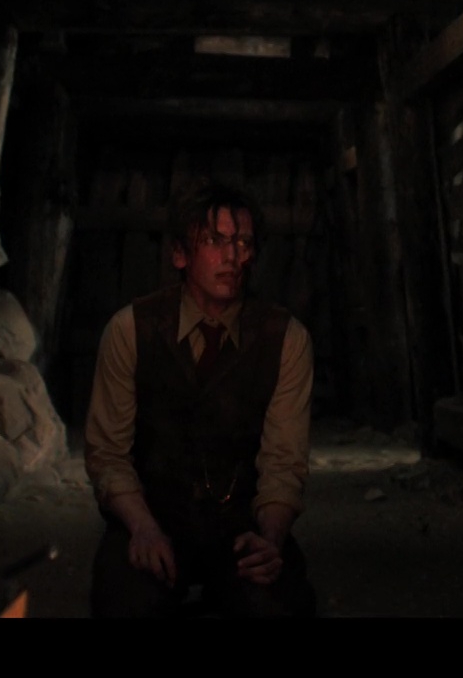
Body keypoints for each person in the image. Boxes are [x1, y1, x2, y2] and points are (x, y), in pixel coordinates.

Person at [83, 178, 318, 617]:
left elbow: (284, 463)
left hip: (240, 521)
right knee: (126, 604)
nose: (233, 256)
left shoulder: (284, 338)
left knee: (278, 607)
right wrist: (142, 527)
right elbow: (107, 453)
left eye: (243, 242)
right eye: (214, 240)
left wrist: (270, 537)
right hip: (154, 512)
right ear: (180, 254)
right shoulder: (132, 330)